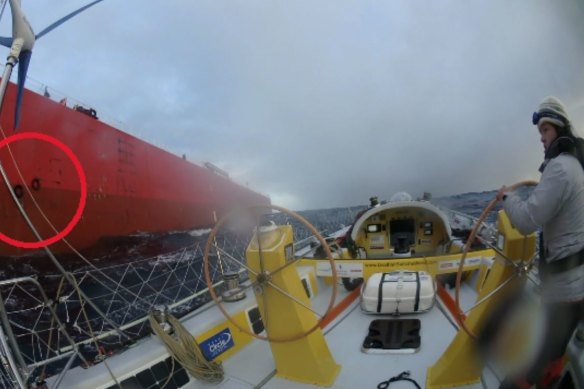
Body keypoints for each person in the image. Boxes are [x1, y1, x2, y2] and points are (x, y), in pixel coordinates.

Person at [496, 96, 584, 388]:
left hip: (564, 291)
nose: (542, 139)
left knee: (523, 371)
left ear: (559, 129)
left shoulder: (559, 169)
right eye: (540, 133)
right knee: (554, 354)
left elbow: (526, 222)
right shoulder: (576, 166)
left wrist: (507, 198)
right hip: (576, 285)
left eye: (545, 131)